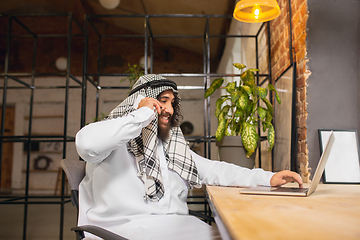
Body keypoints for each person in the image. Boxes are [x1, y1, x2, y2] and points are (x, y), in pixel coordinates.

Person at [75, 74, 303, 240]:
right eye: (161, 101)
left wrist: (268, 178)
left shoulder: (171, 149)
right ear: (138, 102)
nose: (169, 109)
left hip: (175, 227)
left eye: (172, 103)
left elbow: (215, 170)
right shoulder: (110, 140)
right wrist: (141, 113)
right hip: (123, 231)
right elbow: (86, 144)